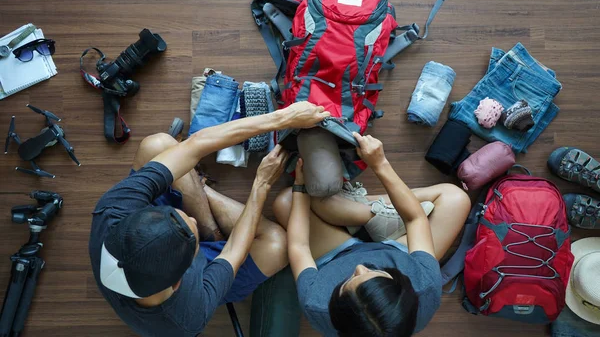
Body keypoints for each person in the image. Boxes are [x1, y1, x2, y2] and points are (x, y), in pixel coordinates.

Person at [88, 101, 330, 337]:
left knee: (158, 144)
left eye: (180, 217)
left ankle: (201, 199)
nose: (193, 219)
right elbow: (234, 251)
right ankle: (198, 190)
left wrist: (283, 117)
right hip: (204, 281)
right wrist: (262, 183)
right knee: (277, 244)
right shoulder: (187, 316)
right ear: (179, 282)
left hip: (154, 255)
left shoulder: (112, 211)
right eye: (193, 238)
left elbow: (195, 145)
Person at [274, 133, 471, 337]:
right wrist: (380, 164)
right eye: (376, 273)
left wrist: (299, 187)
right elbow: (415, 220)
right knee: (456, 199)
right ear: (402, 286)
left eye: (349, 280)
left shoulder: (317, 303)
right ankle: (371, 214)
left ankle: (362, 214)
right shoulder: (425, 287)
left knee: (285, 202)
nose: (360, 267)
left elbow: (299, 246)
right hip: (398, 249)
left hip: (337, 254)